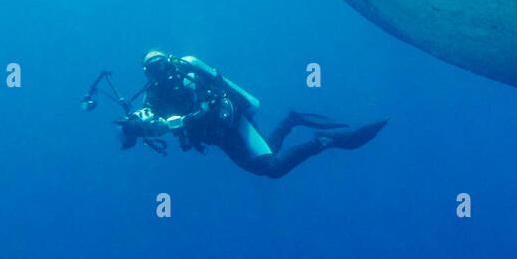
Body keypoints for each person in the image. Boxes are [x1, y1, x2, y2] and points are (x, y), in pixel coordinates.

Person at [116, 51, 387, 177]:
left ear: (169, 62)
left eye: (160, 65)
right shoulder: (154, 95)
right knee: (266, 160)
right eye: (153, 70)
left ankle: (321, 141)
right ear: (147, 75)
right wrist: (132, 127)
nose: (160, 73)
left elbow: (211, 103)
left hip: (234, 124)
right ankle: (291, 120)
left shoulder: (189, 78)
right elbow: (147, 116)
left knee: (272, 168)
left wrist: (183, 120)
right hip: (219, 138)